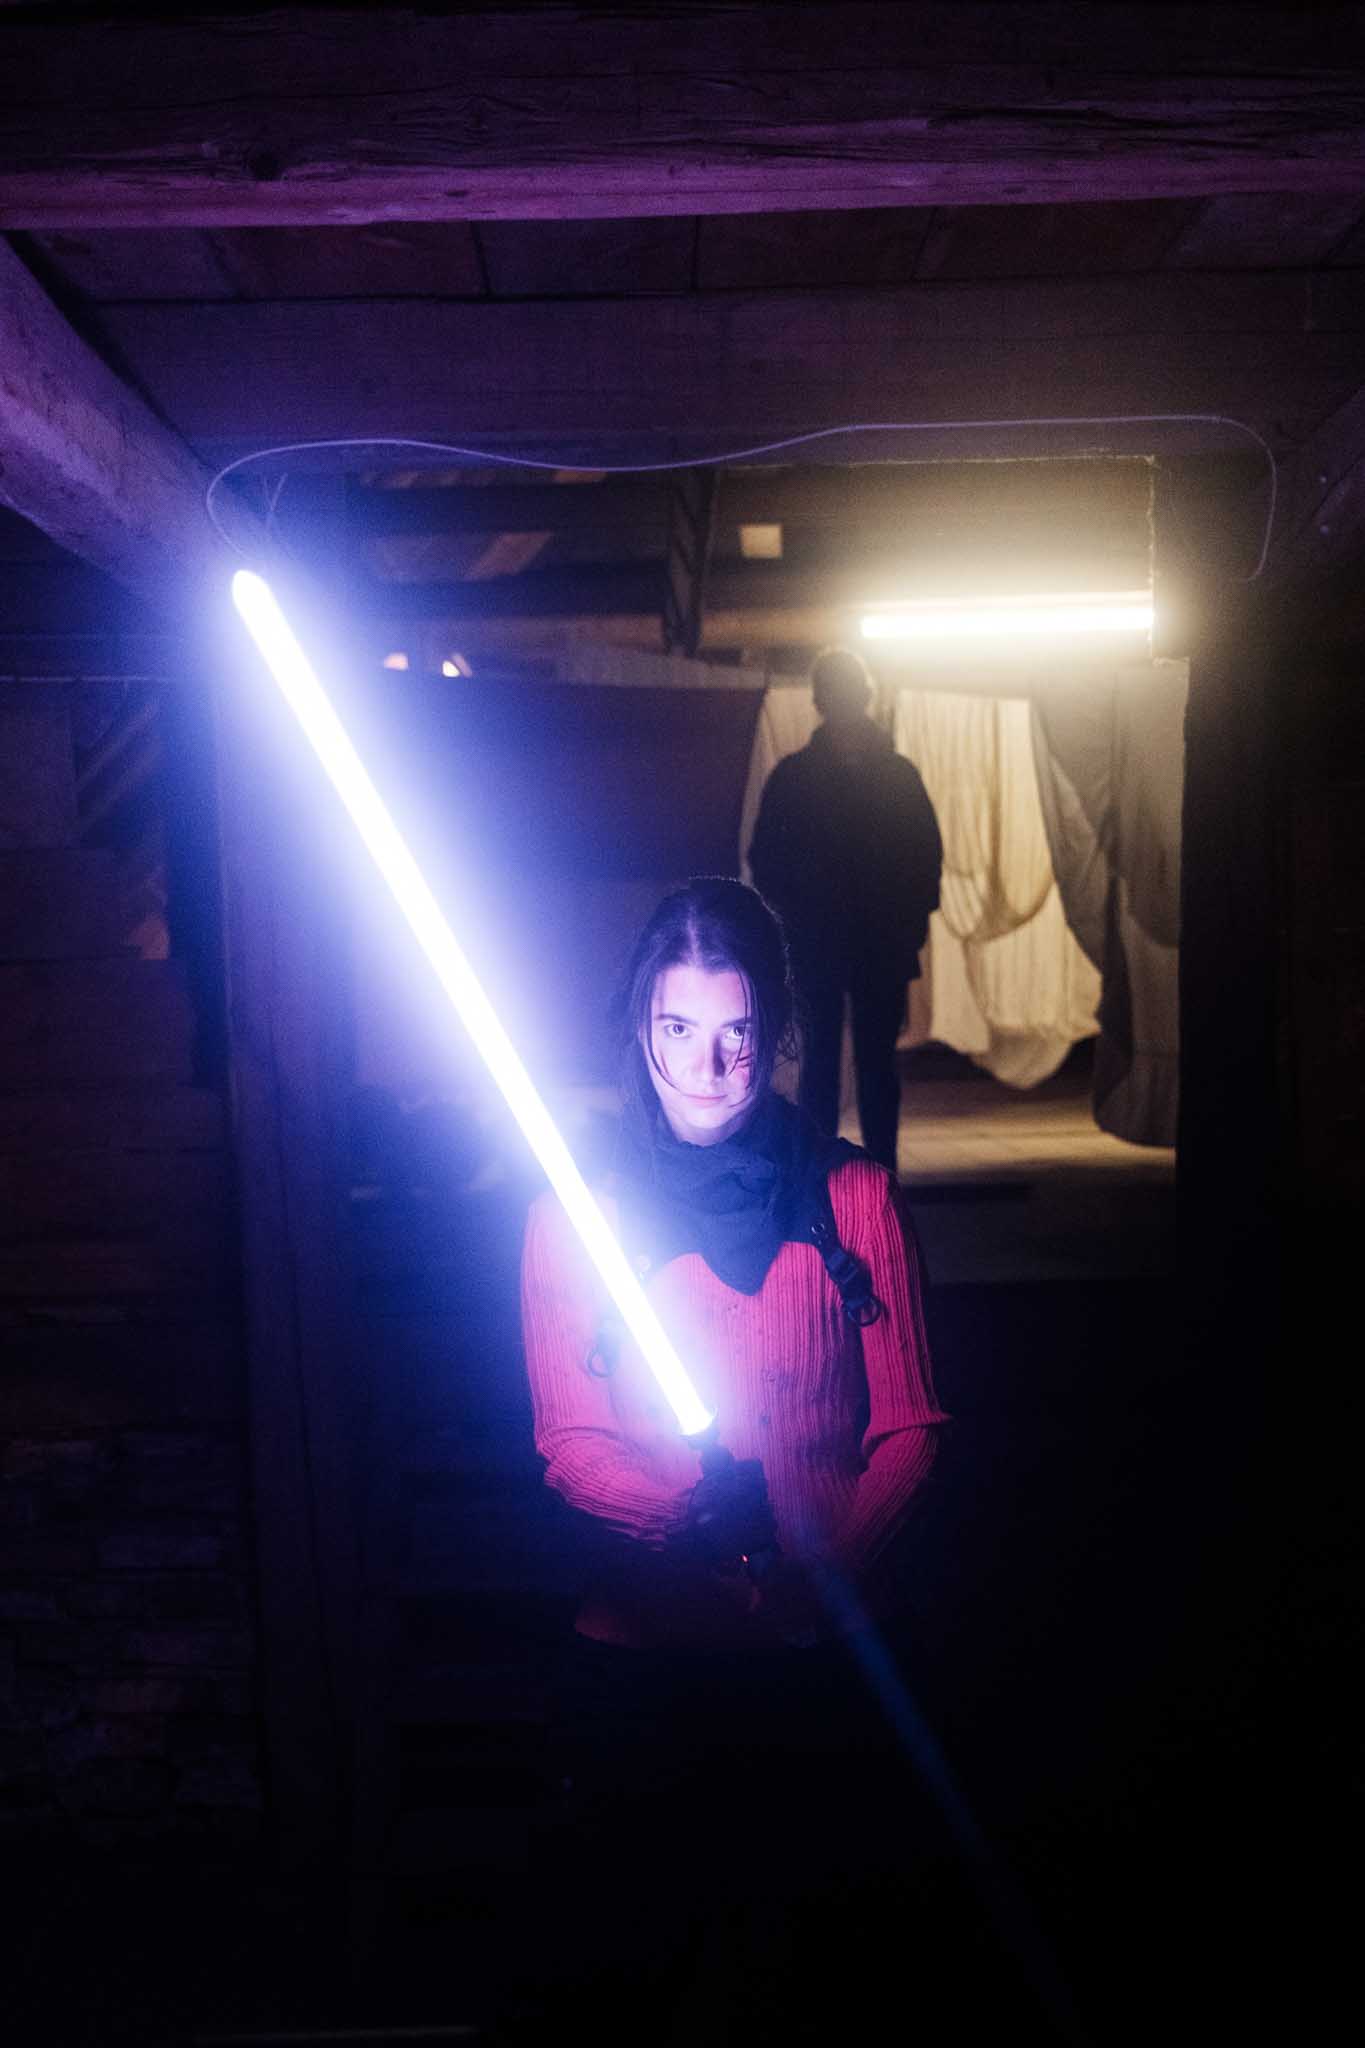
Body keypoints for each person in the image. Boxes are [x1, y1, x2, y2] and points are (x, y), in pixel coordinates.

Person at [519, 877, 948, 2042]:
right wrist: (683, 1525)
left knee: (829, 1988)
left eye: (736, 1033)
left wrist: (826, 1571)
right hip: (647, 1667)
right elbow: (568, 1439)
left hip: (832, 1660)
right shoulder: (578, 1215)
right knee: (639, 1985)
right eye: (676, 1031)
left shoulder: (853, 1195)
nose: (707, 1067)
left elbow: (912, 1422)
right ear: (639, 1032)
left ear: (778, 1033)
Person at [748, 646, 943, 1171]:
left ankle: (864, 1172)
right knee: (838, 1065)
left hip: (860, 941)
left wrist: (906, 923)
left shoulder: (816, 778)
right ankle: (836, 1172)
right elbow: (767, 860)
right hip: (836, 942)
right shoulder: (872, 777)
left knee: (864, 1063)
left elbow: (924, 859)